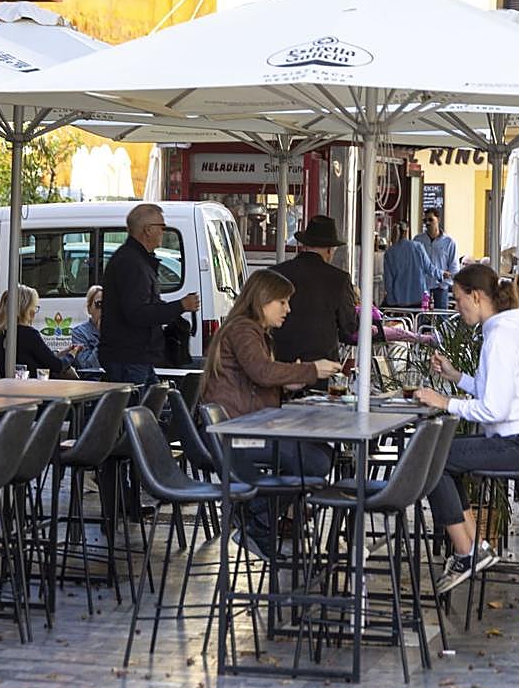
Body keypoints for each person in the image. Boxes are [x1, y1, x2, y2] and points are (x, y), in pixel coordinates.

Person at [415, 263, 519, 593]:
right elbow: (497, 391)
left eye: (458, 298)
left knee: (432, 456)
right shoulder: (506, 330)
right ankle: (474, 547)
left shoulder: (500, 339)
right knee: (442, 455)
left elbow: (495, 408)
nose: (456, 307)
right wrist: (456, 378)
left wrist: (444, 402)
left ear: (475, 297)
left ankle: (466, 551)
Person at [201, 269, 341, 558]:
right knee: (315, 459)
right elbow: (262, 372)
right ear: (263, 300)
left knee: (319, 455)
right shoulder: (243, 329)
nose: (288, 309)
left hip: (243, 429)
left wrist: (288, 384)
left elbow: (256, 380)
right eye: (282, 302)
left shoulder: (249, 331)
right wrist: (312, 369)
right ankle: (257, 519)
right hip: (235, 435)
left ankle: (257, 516)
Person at [98, 203, 200, 386]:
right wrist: (180, 306)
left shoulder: (137, 260)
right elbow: (138, 313)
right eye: (162, 227)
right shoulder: (131, 264)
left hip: (136, 355)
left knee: (150, 407)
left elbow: (146, 306)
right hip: (129, 356)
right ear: (148, 230)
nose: (164, 231)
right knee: (135, 411)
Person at [269, 216, 357, 382]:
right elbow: (348, 328)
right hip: (321, 370)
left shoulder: (276, 273)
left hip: (280, 367)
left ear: (304, 245)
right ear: (330, 250)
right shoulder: (339, 279)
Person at [0, 285, 81, 379]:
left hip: (6, 386)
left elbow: (40, 356)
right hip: (32, 387)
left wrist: (62, 353)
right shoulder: (29, 335)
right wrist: (72, 354)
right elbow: (57, 366)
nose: (35, 312)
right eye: (34, 307)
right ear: (25, 308)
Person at [382, 221, 442, 308]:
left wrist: (391, 301)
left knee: (403, 321)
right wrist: (442, 274)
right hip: (420, 298)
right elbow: (429, 268)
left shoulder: (389, 253)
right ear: (407, 231)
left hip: (399, 300)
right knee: (418, 320)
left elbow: (388, 280)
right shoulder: (418, 247)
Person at [414, 208, 458, 308]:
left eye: (430, 219)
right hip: (422, 286)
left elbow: (454, 267)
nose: (427, 223)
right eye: (425, 221)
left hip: (441, 287)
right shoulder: (418, 240)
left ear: (438, 219)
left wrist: (445, 284)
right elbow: (414, 263)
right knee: (420, 316)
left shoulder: (449, 242)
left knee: (442, 318)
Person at [69, 285, 103, 370]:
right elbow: (85, 366)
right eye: (99, 304)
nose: (104, 309)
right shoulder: (79, 333)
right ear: (89, 309)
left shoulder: (118, 332)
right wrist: (103, 338)